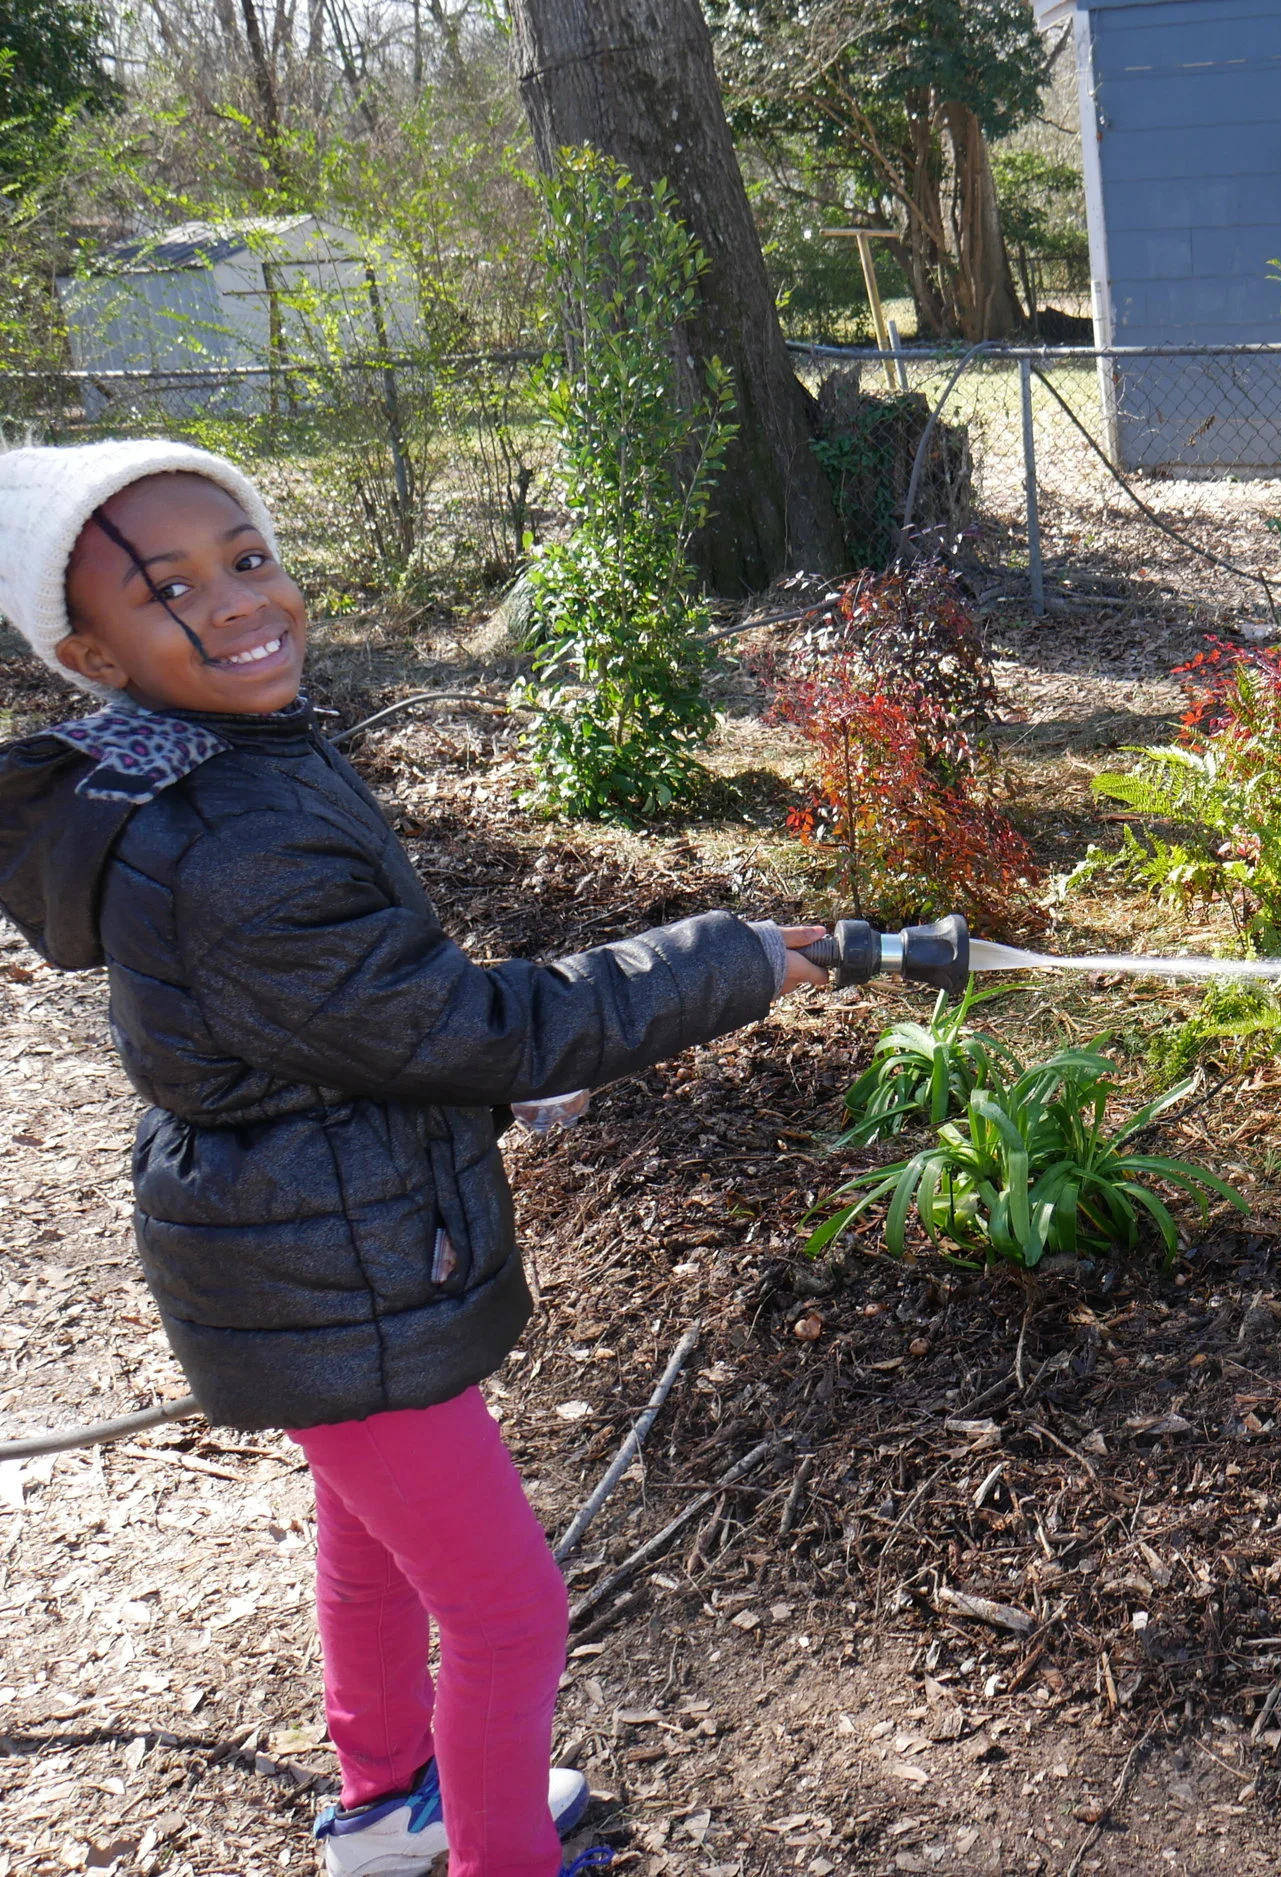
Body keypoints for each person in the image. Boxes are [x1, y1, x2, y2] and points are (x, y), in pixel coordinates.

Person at [0, 440, 828, 1877]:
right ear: (93, 655)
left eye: (247, 557)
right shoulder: (231, 839)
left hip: (313, 1223)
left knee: (370, 1543)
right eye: (174, 589)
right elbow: (456, 1024)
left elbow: (356, 1024)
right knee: (509, 1615)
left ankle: (388, 1806)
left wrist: (472, 1083)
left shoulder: (210, 761)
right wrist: (730, 961)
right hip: (332, 1258)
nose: (239, 601)